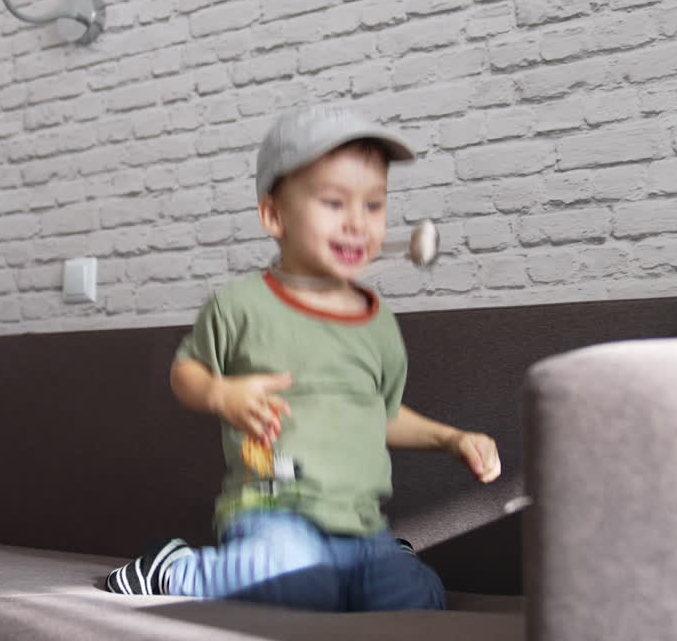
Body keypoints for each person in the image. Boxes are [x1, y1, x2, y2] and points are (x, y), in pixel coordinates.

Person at [104, 105, 502, 612]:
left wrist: (453, 438)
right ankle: (174, 567)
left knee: (417, 599)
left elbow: (382, 416)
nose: (358, 223)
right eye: (334, 203)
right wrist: (221, 392)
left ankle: (382, 561)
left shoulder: (378, 325)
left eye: (374, 205)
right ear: (274, 216)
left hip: (359, 521)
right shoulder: (241, 306)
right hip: (273, 515)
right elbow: (186, 372)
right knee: (297, 585)